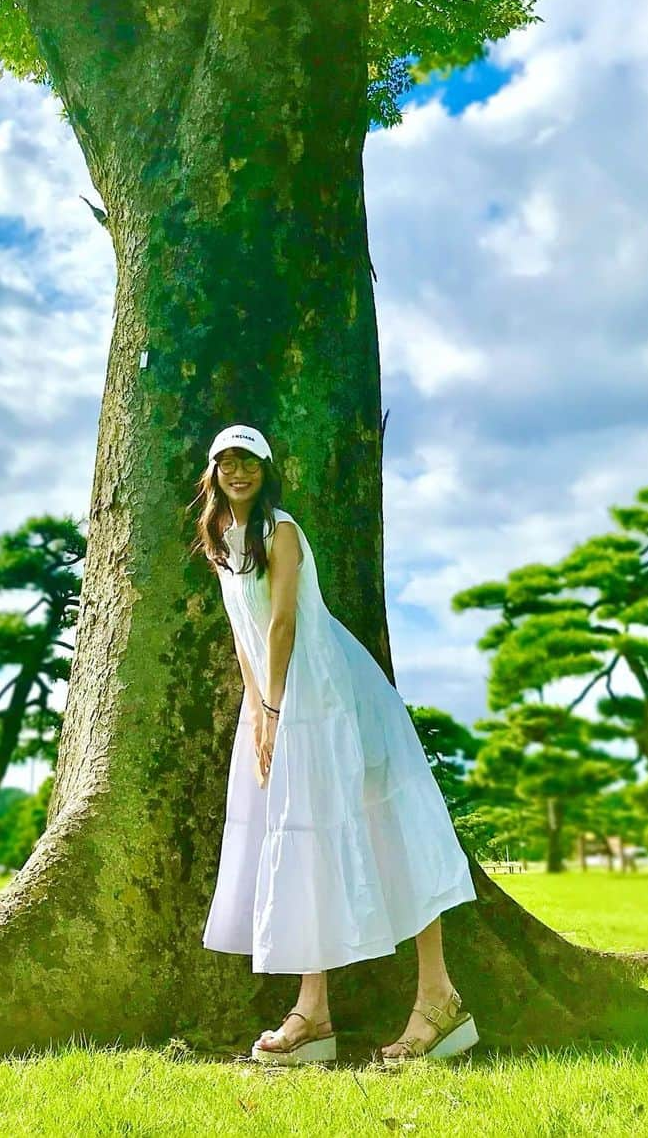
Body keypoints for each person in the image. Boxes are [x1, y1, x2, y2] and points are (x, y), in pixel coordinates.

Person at [192, 423, 480, 1067]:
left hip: (326, 693)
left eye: (249, 462)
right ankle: (312, 1012)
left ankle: (439, 999)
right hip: (278, 701)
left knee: (390, 827)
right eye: (226, 462)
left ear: (267, 472)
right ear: (212, 473)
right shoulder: (221, 542)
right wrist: (261, 714)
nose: (237, 472)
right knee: (300, 839)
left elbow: (285, 620)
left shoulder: (280, 533)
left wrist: (275, 705)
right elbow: (246, 632)